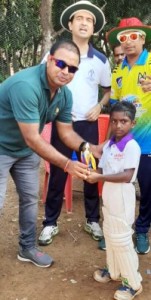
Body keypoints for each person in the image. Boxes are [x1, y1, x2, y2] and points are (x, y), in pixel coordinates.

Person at [0, 39, 101, 268]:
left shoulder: (64, 95)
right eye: (61, 64)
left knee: (30, 199)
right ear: (48, 60)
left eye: (72, 68)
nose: (66, 72)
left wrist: (87, 148)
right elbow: (33, 137)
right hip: (2, 146)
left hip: (25, 152)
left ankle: (26, 247)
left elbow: (66, 133)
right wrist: (67, 164)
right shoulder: (26, 86)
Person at [38, 0, 111, 246]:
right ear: (70, 24)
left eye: (89, 20)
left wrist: (100, 106)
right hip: (62, 124)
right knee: (58, 171)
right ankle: (50, 223)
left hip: (87, 126)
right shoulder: (54, 55)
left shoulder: (100, 60)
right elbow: (42, 82)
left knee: (90, 172)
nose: (84, 23)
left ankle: (92, 220)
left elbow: (109, 90)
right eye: (79, 18)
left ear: (94, 28)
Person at [86, 101, 142, 300]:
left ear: (132, 123)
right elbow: (102, 168)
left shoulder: (132, 146)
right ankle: (114, 271)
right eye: (115, 121)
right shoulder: (109, 144)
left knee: (121, 238)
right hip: (109, 192)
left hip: (122, 194)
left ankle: (133, 282)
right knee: (110, 233)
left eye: (124, 121)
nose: (118, 125)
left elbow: (127, 176)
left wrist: (99, 178)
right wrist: (89, 172)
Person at [106, 17, 151, 255]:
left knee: (147, 190)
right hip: (123, 144)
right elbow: (114, 112)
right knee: (119, 190)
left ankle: (142, 230)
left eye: (134, 36)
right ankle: (117, 231)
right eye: (124, 38)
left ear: (143, 38)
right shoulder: (118, 72)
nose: (129, 42)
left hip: (148, 143)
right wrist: (106, 143)